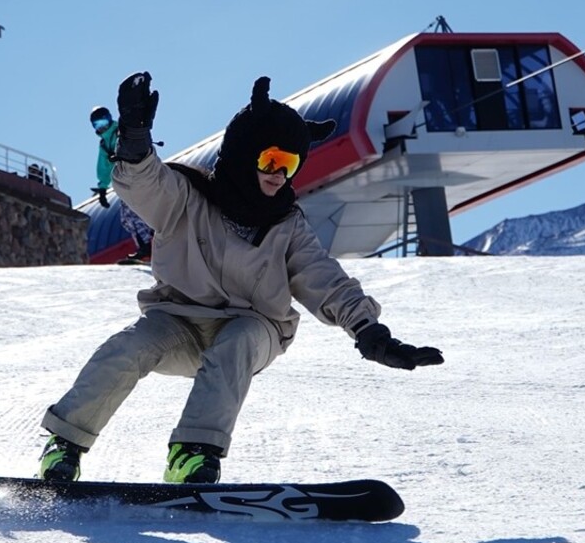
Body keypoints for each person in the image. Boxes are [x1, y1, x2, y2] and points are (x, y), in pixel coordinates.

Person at [39, 72, 444, 484]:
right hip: (178, 320)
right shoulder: (186, 197)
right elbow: (144, 184)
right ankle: (65, 443)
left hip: (255, 325)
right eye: (271, 159)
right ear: (244, 152)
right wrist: (136, 140)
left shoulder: (286, 225)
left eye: (289, 164)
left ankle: (193, 455)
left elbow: (325, 279)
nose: (278, 174)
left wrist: (369, 332)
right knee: (128, 346)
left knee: (238, 341)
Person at [89, 106, 155, 263]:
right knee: (127, 218)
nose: (102, 127)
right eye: (97, 125)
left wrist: (120, 156)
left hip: (137, 175)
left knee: (136, 213)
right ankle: (144, 246)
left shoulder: (120, 131)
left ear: (109, 118)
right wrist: (103, 189)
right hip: (125, 181)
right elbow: (103, 168)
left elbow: (131, 146)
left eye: (103, 122)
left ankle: (153, 242)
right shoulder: (104, 143)